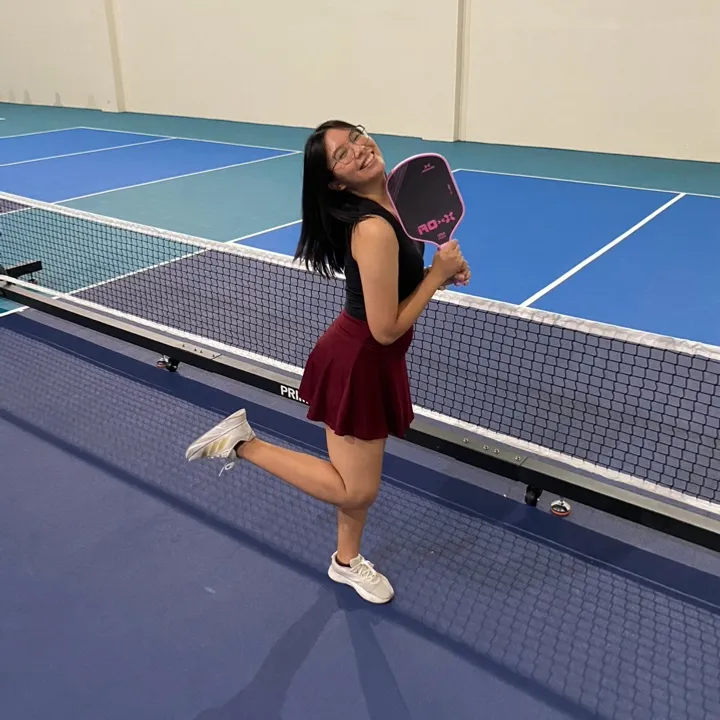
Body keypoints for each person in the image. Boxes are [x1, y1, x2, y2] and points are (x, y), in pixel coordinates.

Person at [186, 121, 470, 604]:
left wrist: (433, 273)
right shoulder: (373, 228)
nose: (359, 149)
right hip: (360, 362)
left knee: (354, 476)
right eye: (342, 155)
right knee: (357, 491)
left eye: (356, 137)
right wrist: (435, 277)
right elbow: (385, 328)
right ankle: (243, 444)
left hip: (369, 358)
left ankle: (346, 561)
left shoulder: (394, 205)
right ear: (336, 183)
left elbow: (393, 283)